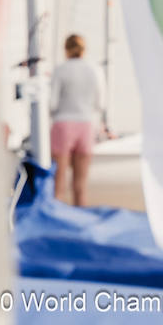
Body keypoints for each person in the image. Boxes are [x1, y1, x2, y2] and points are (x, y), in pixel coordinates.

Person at [50, 33, 106, 206]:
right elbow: (100, 103)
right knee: (80, 187)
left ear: (66, 50)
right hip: (86, 125)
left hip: (63, 124)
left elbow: (52, 103)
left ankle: (55, 223)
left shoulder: (60, 70)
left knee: (58, 186)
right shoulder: (95, 70)